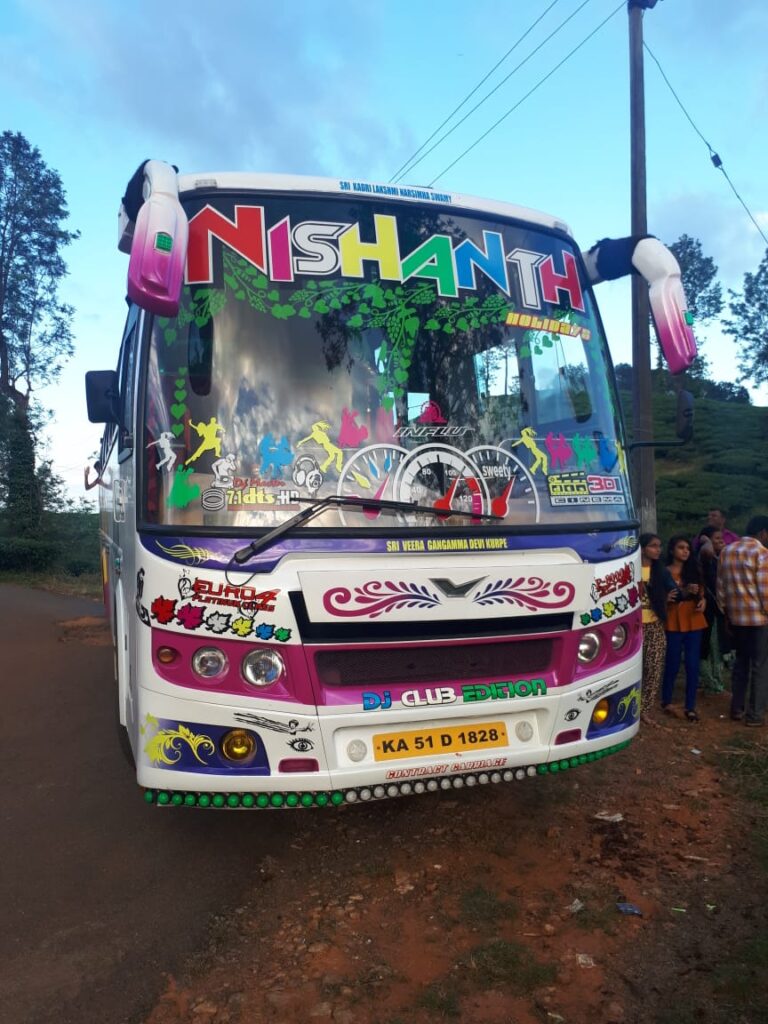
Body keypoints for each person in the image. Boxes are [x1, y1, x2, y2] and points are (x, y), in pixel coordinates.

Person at [716, 515, 768, 726]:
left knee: (741, 663)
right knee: (760, 666)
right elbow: (766, 592)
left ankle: (736, 708)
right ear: (763, 532)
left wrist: (726, 613)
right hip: (759, 620)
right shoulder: (762, 553)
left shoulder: (727, 551)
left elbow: (721, 588)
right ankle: (755, 715)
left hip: (736, 619)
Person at [661, 535, 708, 722]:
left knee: (692, 664)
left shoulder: (694, 570)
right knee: (671, 663)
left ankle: (690, 706)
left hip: (694, 619)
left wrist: (703, 600)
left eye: (687, 548)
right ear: (672, 550)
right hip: (672, 620)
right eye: (681, 547)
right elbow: (659, 597)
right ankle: (666, 700)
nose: (685, 551)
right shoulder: (663, 572)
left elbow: (702, 593)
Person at [697, 525, 728, 693]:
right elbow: (706, 548)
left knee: (715, 647)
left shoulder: (716, 558)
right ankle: (711, 683)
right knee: (708, 647)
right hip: (707, 609)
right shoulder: (705, 554)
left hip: (715, 611)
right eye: (717, 538)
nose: (721, 541)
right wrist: (706, 539)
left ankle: (715, 682)